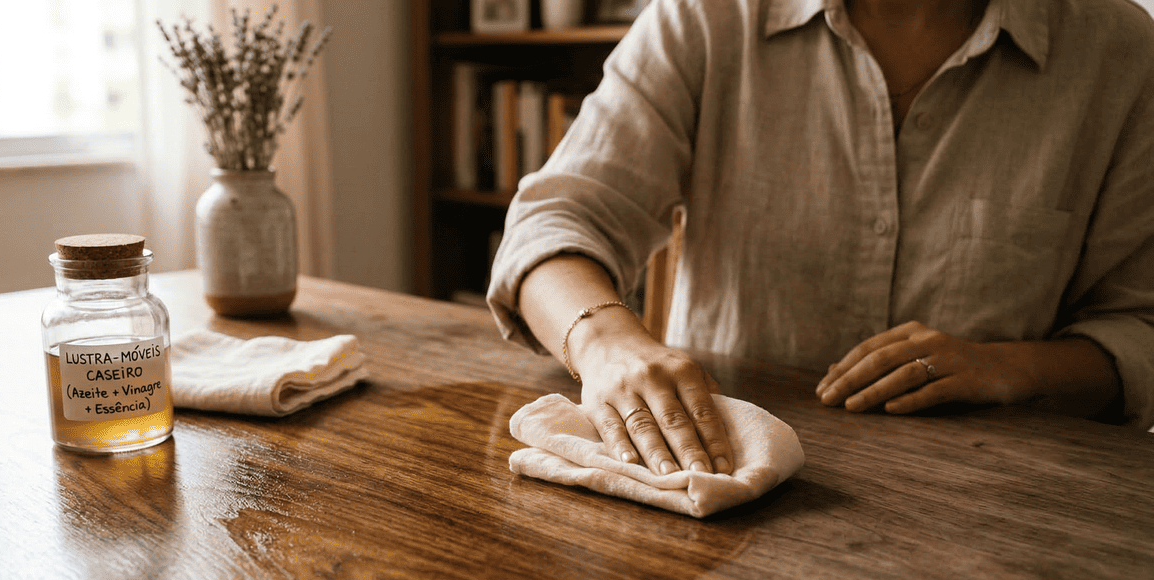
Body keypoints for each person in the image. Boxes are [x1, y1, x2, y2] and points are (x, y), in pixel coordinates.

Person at [486, 0, 1154, 475]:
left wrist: (1011, 368)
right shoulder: (704, 16)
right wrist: (606, 345)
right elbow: (552, 222)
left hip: (1013, 512)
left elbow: (1141, 325)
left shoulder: (1121, 50)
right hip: (723, 496)